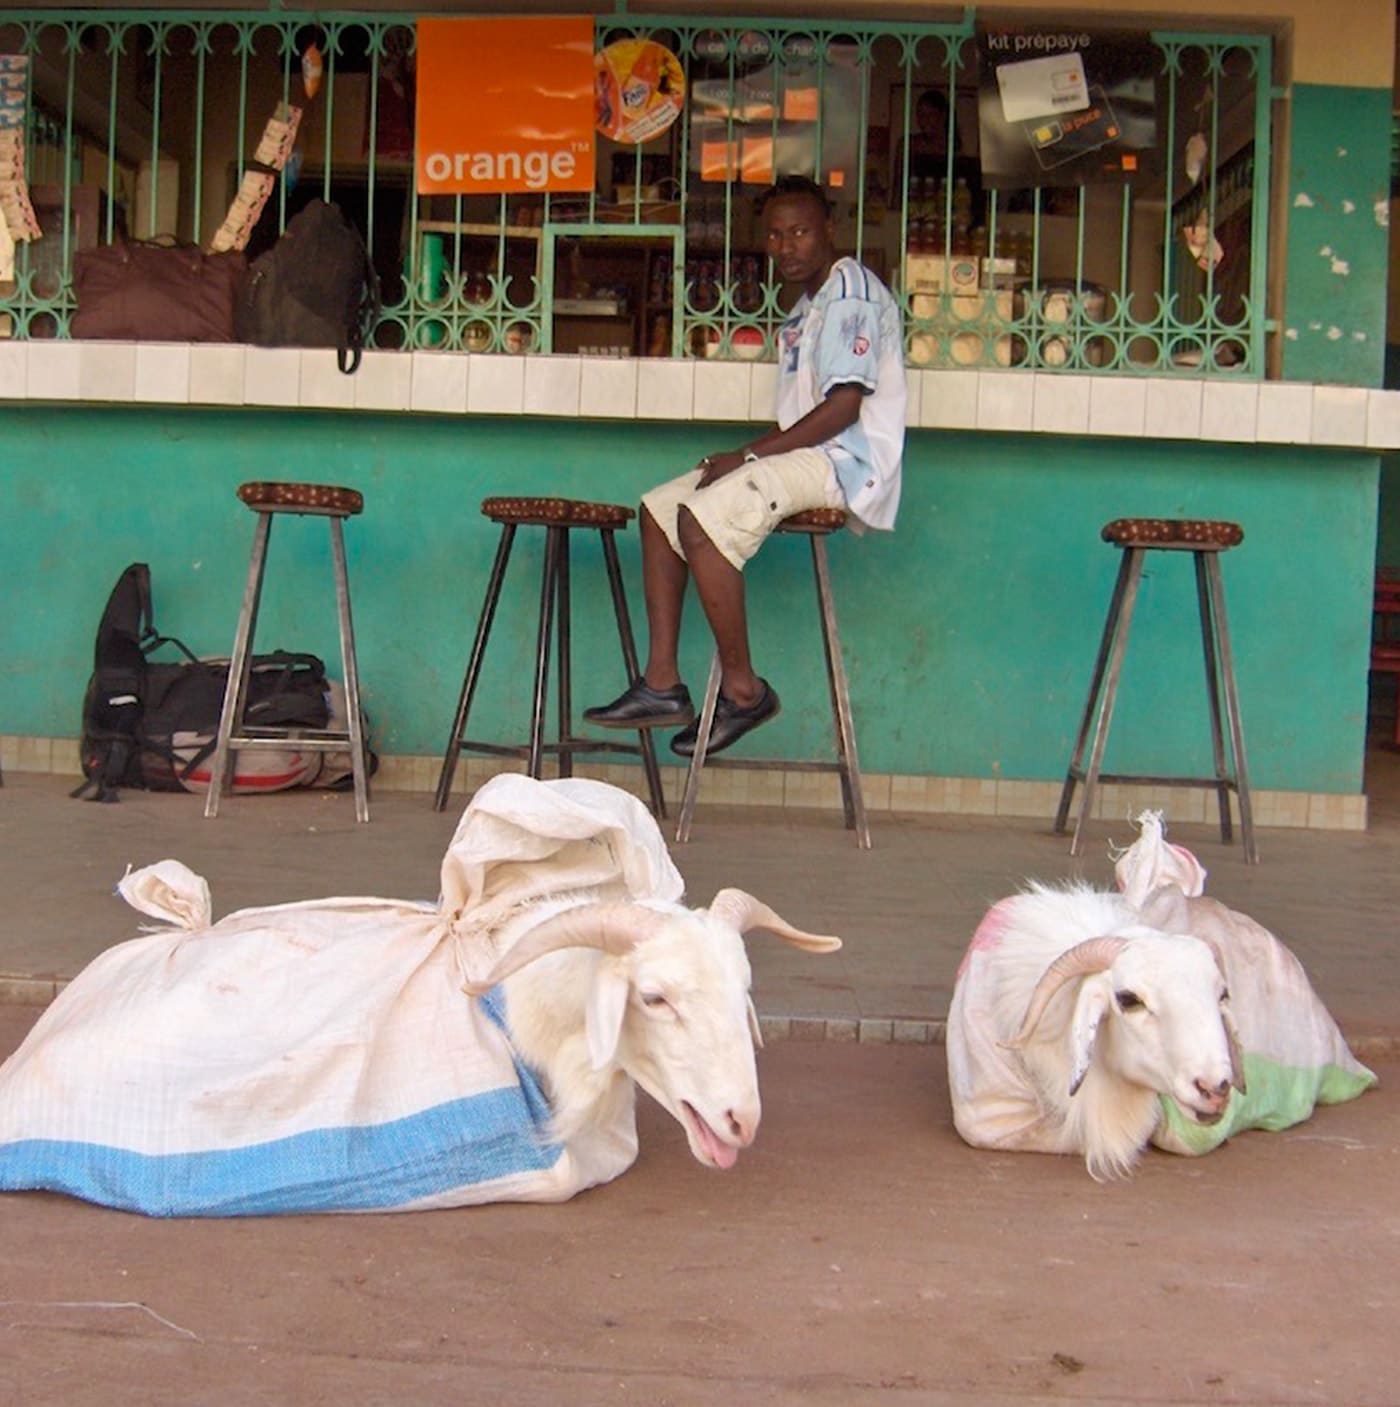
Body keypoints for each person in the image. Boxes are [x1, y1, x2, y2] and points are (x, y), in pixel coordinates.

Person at [584, 174, 907, 757]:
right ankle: (661, 684)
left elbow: (843, 408)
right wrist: (743, 456)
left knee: (703, 521)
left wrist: (749, 455)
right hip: (808, 453)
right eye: (777, 236)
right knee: (661, 510)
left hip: (845, 464)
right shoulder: (809, 305)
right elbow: (805, 416)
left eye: (802, 231)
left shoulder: (851, 292)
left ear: (830, 229)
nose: (787, 246)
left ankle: (743, 691)